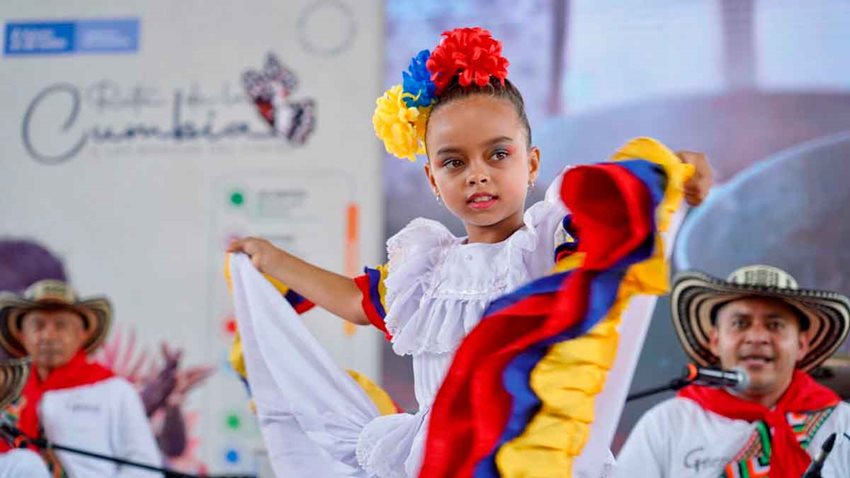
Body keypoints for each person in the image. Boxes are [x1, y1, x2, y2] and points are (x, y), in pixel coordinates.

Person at [227, 26, 712, 477]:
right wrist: (271, 260)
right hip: (444, 457)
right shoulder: (424, 269)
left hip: (540, 454)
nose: (477, 174)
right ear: (433, 181)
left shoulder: (553, 244)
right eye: (454, 162)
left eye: (498, 154)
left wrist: (671, 173)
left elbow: (616, 230)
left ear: (531, 163)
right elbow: (357, 302)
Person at [616, 264, 850, 477]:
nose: (757, 337)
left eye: (774, 325)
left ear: (801, 345)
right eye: (741, 323)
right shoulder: (668, 424)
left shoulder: (842, 424)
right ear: (715, 340)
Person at [0, 280, 163, 477]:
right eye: (38, 325)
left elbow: (145, 468)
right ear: (21, 334)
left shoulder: (116, 391)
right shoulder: (7, 392)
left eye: (61, 326)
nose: (48, 336)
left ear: (83, 334)